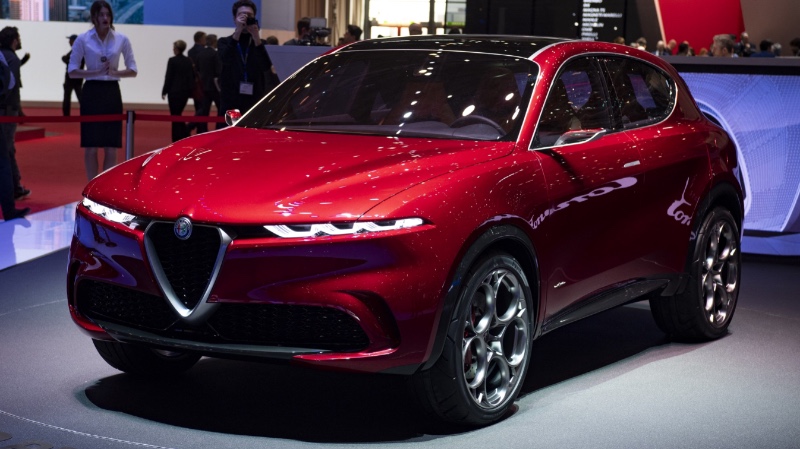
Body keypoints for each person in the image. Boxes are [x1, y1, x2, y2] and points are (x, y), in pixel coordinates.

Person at [68, 0, 137, 181]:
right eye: (101, 15)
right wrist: (95, 72)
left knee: (111, 146)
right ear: (94, 17)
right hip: (91, 92)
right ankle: (91, 186)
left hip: (112, 92)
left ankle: (105, 186)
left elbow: (133, 70)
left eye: (108, 14)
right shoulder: (83, 39)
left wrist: (115, 73)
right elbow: (72, 71)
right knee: (90, 146)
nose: (105, 18)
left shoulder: (121, 39)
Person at [217, 0, 277, 118]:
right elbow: (226, 59)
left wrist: (256, 37)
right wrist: (238, 32)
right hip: (231, 98)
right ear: (234, 19)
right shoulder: (224, 42)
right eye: (241, 15)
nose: (245, 18)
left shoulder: (260, 43)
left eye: (249, 15)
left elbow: (265, 66)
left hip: (255, 98)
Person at [0, 26, 28, 201]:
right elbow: (11, 85)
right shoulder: (12, 58)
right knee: (7, 148)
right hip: (7, 109)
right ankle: (14, 186)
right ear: (14, 40)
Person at [162, 40, 195, 142]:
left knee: (175, 115)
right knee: (178, 114)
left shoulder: (172, 60)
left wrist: (164, 91)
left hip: (173, 92)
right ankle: (182, 134)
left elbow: (168, 77)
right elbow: (191, 77)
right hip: (184, 92)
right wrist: (190, 91)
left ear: (177, 49)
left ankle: (178, 136)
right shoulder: (188, 61)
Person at [193, 33, 221, 133]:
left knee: (204, 111)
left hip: (203, 86)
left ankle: (202, 131)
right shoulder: (215, 54)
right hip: (215, 87)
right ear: (214, 42)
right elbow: (218, 71)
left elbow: (197, 69)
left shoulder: (201, 54)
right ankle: (219, 130)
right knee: (220, 110)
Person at [62, 35, 83, 116]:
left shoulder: (77, 51)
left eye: (70, 40)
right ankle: (85, 113)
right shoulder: (77, 51)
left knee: (71, 97)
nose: (69, 42)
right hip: (76, 78)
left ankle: (66, 115)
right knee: (78, 97)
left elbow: (70, 61)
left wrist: (65, 59)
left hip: (73, 79)